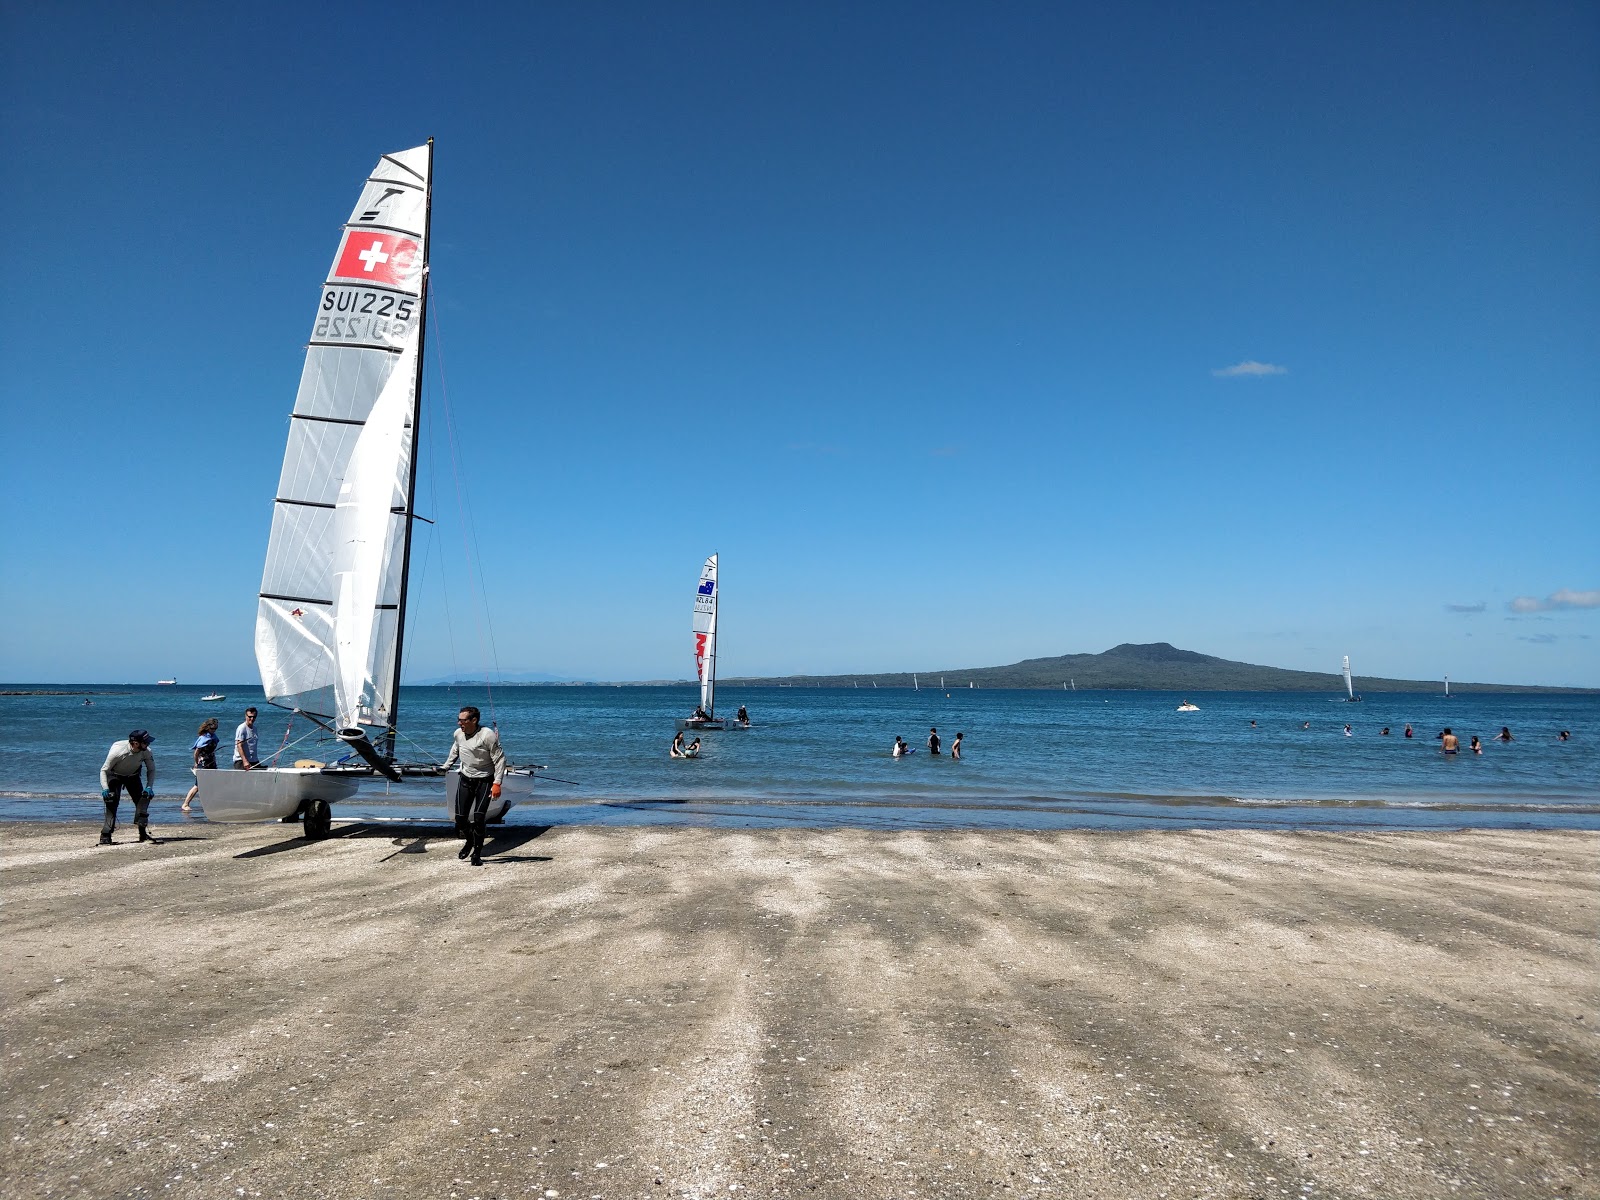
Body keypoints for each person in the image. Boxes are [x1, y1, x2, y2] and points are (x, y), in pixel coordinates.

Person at [443, 706, 506, 867]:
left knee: (479, 818)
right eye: (459, 720)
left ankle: (477, 854)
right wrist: (446, 766)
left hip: (485, 780)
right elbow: (456, 749)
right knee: (460, 819)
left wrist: (497, 783)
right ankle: (469, 841)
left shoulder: (487, 735)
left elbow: (500, 760)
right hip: (465, 779)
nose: (459, 723)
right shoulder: (458, 734)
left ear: (474, 720)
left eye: (463, 720)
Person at [99, 730, 156, 845]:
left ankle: (143, 834)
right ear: (135, 743)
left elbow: (151, 769)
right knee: (111, 803)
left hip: (133, 776)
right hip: (114, 776)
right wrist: (105, 788)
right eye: (145, 742)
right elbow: (104, 770)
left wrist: (149, 787)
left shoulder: (146, 751)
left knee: (143, 800)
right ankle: (106, 835)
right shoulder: (118, 751)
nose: (148, 744)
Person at [183, 718, 220, 811]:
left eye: (215, 728)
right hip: (203, 764)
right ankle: (185, 804)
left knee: (213, 784)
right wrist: (196, 763)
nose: (214, 730)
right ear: (208, 728)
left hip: (212, 762)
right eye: (212, 729)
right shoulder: (203, 738)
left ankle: (210, 803)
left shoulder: (214, 736)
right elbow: (196, 752)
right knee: (198, 786)